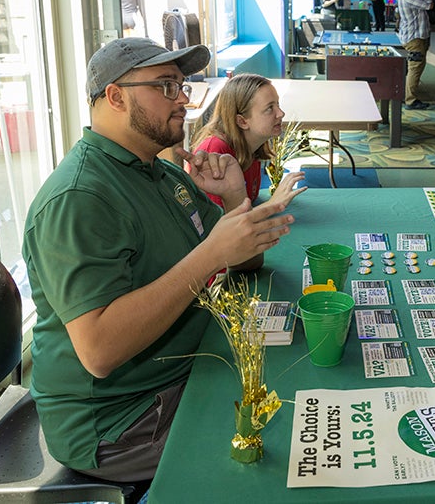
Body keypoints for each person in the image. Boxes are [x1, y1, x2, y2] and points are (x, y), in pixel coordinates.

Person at [22, 37, 294, 482]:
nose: (184, 100)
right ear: (115, 96)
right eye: (166, 86)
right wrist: (209, 256)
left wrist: (231, 202)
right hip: (121, 421)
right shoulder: (79, 199)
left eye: (182, 86)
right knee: (282, 446)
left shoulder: (162, 172)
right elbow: (100, 351)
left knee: (292, 388)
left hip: (184, 368)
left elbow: (244, 261)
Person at [191, 73, 307, 206]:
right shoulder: (215, 151)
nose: (281, 113)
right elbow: (222, 223)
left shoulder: (253, 145)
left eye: (277, 104)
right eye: (269, 108)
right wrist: (273, 204)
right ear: (242, 121)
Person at [396, 0, 433, 110]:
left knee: (416, 66)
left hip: (415, 36)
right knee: (415, 67)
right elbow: (429, 4)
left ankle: (408, 95)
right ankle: (410, 100)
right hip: (414, 38)